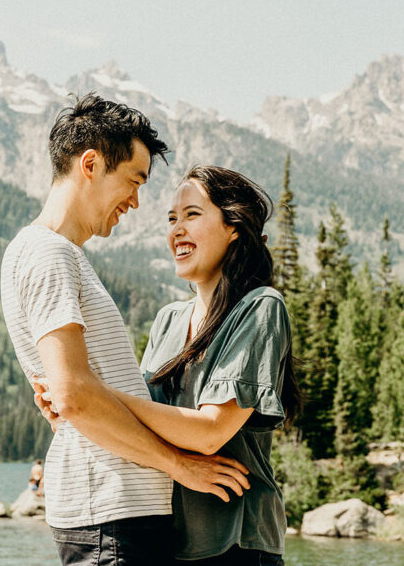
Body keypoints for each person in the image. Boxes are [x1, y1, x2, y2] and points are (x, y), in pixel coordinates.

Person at [1, 94, 250, 566]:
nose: (135, 202)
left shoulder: (57, 254)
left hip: (116, 516)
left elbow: (71, 395)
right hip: (110, 519)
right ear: (90, 164)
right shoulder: (48, 253)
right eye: (133, 181)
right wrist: (181, 467)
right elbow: (75, 395)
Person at [50, 166, 300, 565]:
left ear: (234, 227)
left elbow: (210, 433)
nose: (177, 230)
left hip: (236, 542)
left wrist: (91, 392)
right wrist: (64, 405)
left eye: (192, 215)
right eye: (171, 219)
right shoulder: (168, 319)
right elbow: (136, 421)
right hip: (164, 540)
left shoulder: (259, 307)